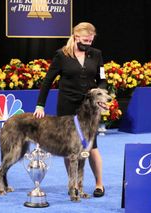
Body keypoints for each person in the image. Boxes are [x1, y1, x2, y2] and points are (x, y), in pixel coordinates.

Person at [33, 22, 106, 197]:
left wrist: (99, 91)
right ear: (75, 37)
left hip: (89, 107)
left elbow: (102, 79)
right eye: (85, 40)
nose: (88, 44)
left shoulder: (96, 54)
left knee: (92, 146)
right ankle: (73, 184)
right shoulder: (61, 55)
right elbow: (47, 81)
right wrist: (40, 104)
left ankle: (99, 184)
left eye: (91, 41)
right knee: (69, 147)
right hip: (67, 105)